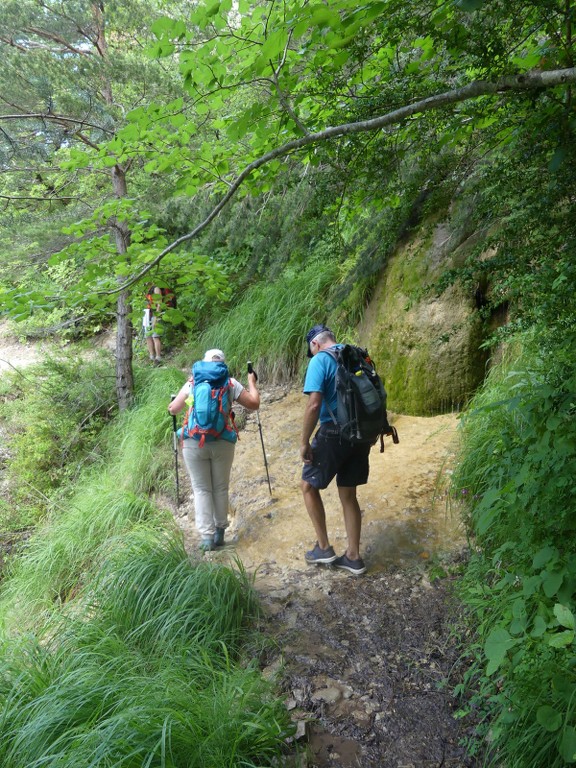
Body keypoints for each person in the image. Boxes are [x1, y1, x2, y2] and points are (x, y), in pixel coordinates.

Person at [168, 349, 260, 552]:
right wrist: (252, 383)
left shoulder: (193, 381)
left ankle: (206, 537)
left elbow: (173, 409)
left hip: (193, 442)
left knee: (201, 489)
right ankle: (220, 533)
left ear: (204, 362)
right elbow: (254, 404)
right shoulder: (230, 383)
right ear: (222, 364)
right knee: (220, 487)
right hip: (222, 442)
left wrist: (175, 405)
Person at [300, 324, 371, 575]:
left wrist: (304, 441)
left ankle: (323, 549)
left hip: (334, 432)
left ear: (315, 344)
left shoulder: (320, 360)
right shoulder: (356, 354)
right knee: (348, 494)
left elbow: (313, 405)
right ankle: (353, 557)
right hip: (362, 433)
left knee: (308, 486)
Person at [143, 284, 165, 364]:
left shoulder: (156, 288)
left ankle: (158, 358)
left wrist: (156, 317)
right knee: (148, 336)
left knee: (155, 336)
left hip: (154, 315)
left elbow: (159, 304)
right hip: (146, 315)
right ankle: (151, 357)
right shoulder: (145, 289)